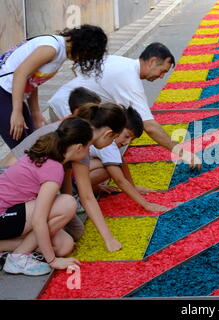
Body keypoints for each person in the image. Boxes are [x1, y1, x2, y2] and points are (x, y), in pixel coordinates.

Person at [48, 42, 201, 170]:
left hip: (60, 103)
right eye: (162, 71)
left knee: (98, 154)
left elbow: (78, 68)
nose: (161, 77)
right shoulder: (131, 81)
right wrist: (183, 154)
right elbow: (149, 126)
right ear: (153, 61)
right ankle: (76, 189)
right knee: (100, 161)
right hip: (69, 110)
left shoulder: (120, 62)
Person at [0, 117, 92, 276]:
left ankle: (3, 247)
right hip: (4, 215)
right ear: (78, 147)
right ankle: (18, 257)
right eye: (88, 147)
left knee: (64, 245)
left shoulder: (48, 154)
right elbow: (38, 219)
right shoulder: (54, 168)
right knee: (67, 203)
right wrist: (52, 261)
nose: (88, 152)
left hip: (12, 215)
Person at [0, 25, 108, 149]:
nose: (81, 61)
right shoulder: (51, 48)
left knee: (32, 143)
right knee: (21, 149)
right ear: (82, 47)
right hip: (3, 92)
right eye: (87, 56)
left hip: (11, 93)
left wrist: (35, 113)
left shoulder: (60, 52)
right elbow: (20, 74)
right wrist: (17, 112)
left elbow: (33, 81)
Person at [89, 107, 168, 212]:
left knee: (113, 163)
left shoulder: (105, 132)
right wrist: (146, 204)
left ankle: (87, 187)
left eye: (131, 140)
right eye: (126, 136)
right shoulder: (109, 145)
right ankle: (78, 191)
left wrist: (132, 186)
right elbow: (119, 180)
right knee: (109, 169)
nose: (127, 142)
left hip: (77, 169)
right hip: (73, 177)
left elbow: (121, 161)